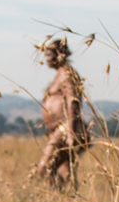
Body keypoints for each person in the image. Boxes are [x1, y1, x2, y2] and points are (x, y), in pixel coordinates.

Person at [32, 36, 90, 188]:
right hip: (60, 130)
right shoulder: (60, 74)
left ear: (61, 53)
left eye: (50, 54)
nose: (47, 59)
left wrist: (70, 131)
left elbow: (73, 102)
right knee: (65, 170)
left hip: (65, 128)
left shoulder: (67, 74)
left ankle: (64, 198)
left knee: (44, 168)